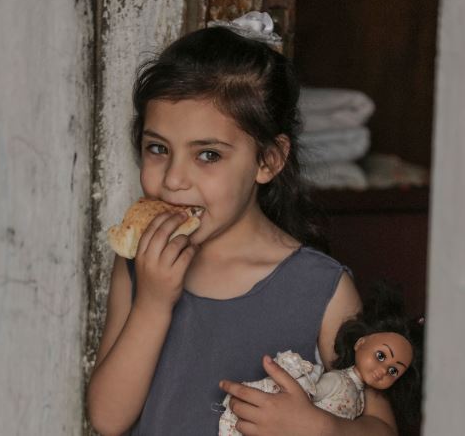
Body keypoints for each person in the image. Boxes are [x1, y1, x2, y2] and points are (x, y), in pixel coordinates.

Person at [86, 25, 400, 436]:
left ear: (268, 161)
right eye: (158, 148)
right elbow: (108, 419)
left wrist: (320, 428)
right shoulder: (140, 261)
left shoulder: (322, 288)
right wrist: (153, 303)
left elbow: (382, 428)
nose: (174, 178)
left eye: (208, 154)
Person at [218, 283, 424, 435]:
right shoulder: (338, 381)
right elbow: (307, 399)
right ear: (360, 342)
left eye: (393, 371)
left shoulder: (362, 401)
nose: (382, 370)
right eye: (380, 356)